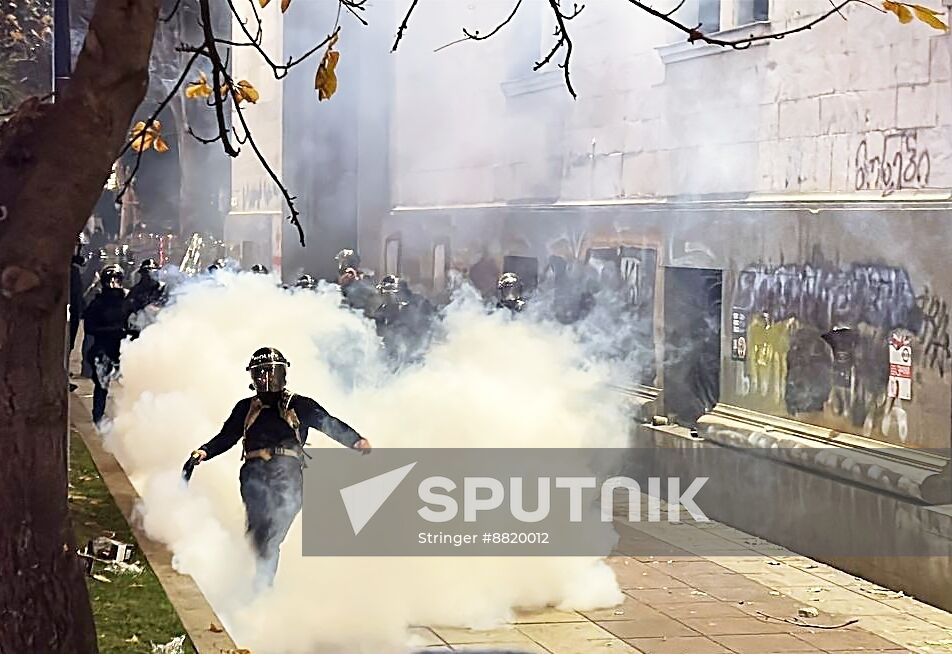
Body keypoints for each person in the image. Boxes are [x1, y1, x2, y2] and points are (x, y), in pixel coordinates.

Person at [185, 347, 371, 590]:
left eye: (271, 373)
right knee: (256, 534)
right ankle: (252, 586)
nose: (266, 379)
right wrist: (204, 451)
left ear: (283, 374)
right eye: (260, 374)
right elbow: (227, 436)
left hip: (288, 476)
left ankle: (262, 587)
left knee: (272, 536)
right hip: (253, 475)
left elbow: (328, 423)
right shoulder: (245, 408)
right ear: (253, 378)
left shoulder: (300, 405)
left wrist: (355, 440)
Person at [83, 264, 132, 425]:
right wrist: (112, 330)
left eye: (116, 279)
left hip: (124, 349)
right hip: (103, 347)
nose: (113, 284)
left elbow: (136, 323)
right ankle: (98, 416)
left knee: (131, 382)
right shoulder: (97, 303)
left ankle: (129, 417)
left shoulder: (127, 301)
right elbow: (89, 328)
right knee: (102, 384)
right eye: (110, 280)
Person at [335, 249, 376, 314]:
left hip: (356, 307)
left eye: (342, 260)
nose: (340, 263)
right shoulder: (357, 274)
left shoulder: (351, 274)